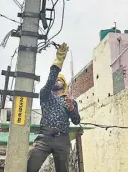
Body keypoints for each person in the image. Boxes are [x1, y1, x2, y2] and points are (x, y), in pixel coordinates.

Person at [27, 43, 80, 172]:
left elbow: (76, 121)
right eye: (55, 79)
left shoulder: (70, 101)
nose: (56, 80)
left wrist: (72, 109)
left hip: (63, 139)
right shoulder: (46, 95)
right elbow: (50, 80)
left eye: (60, 79)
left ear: (64, 85)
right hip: (44, 138)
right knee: (30, 168)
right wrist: (59, 60)